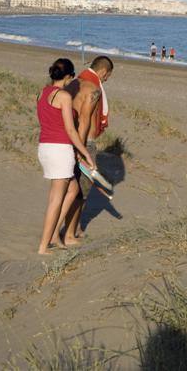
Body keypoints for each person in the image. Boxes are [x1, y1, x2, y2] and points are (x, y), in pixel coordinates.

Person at [52, 55, 114, 245]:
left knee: (65, 189)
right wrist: (82, 149)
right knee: (80, 192)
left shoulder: (73, 83)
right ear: (103, 72)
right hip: (83, 141)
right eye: (107, 76)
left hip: (64, 139)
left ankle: (70, 229)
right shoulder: (93, 89)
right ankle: (68, 234)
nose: (106, 80)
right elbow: (85, 120)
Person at [36, 58, 95, 255]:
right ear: (68, 76)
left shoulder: (42, 92)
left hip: (45, 147)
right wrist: (85, 153)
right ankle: (43, 247)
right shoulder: (64, 96)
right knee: (56, 199)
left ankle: (53, 236)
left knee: (73, 189)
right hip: (60, 150)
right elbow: (70, 129)